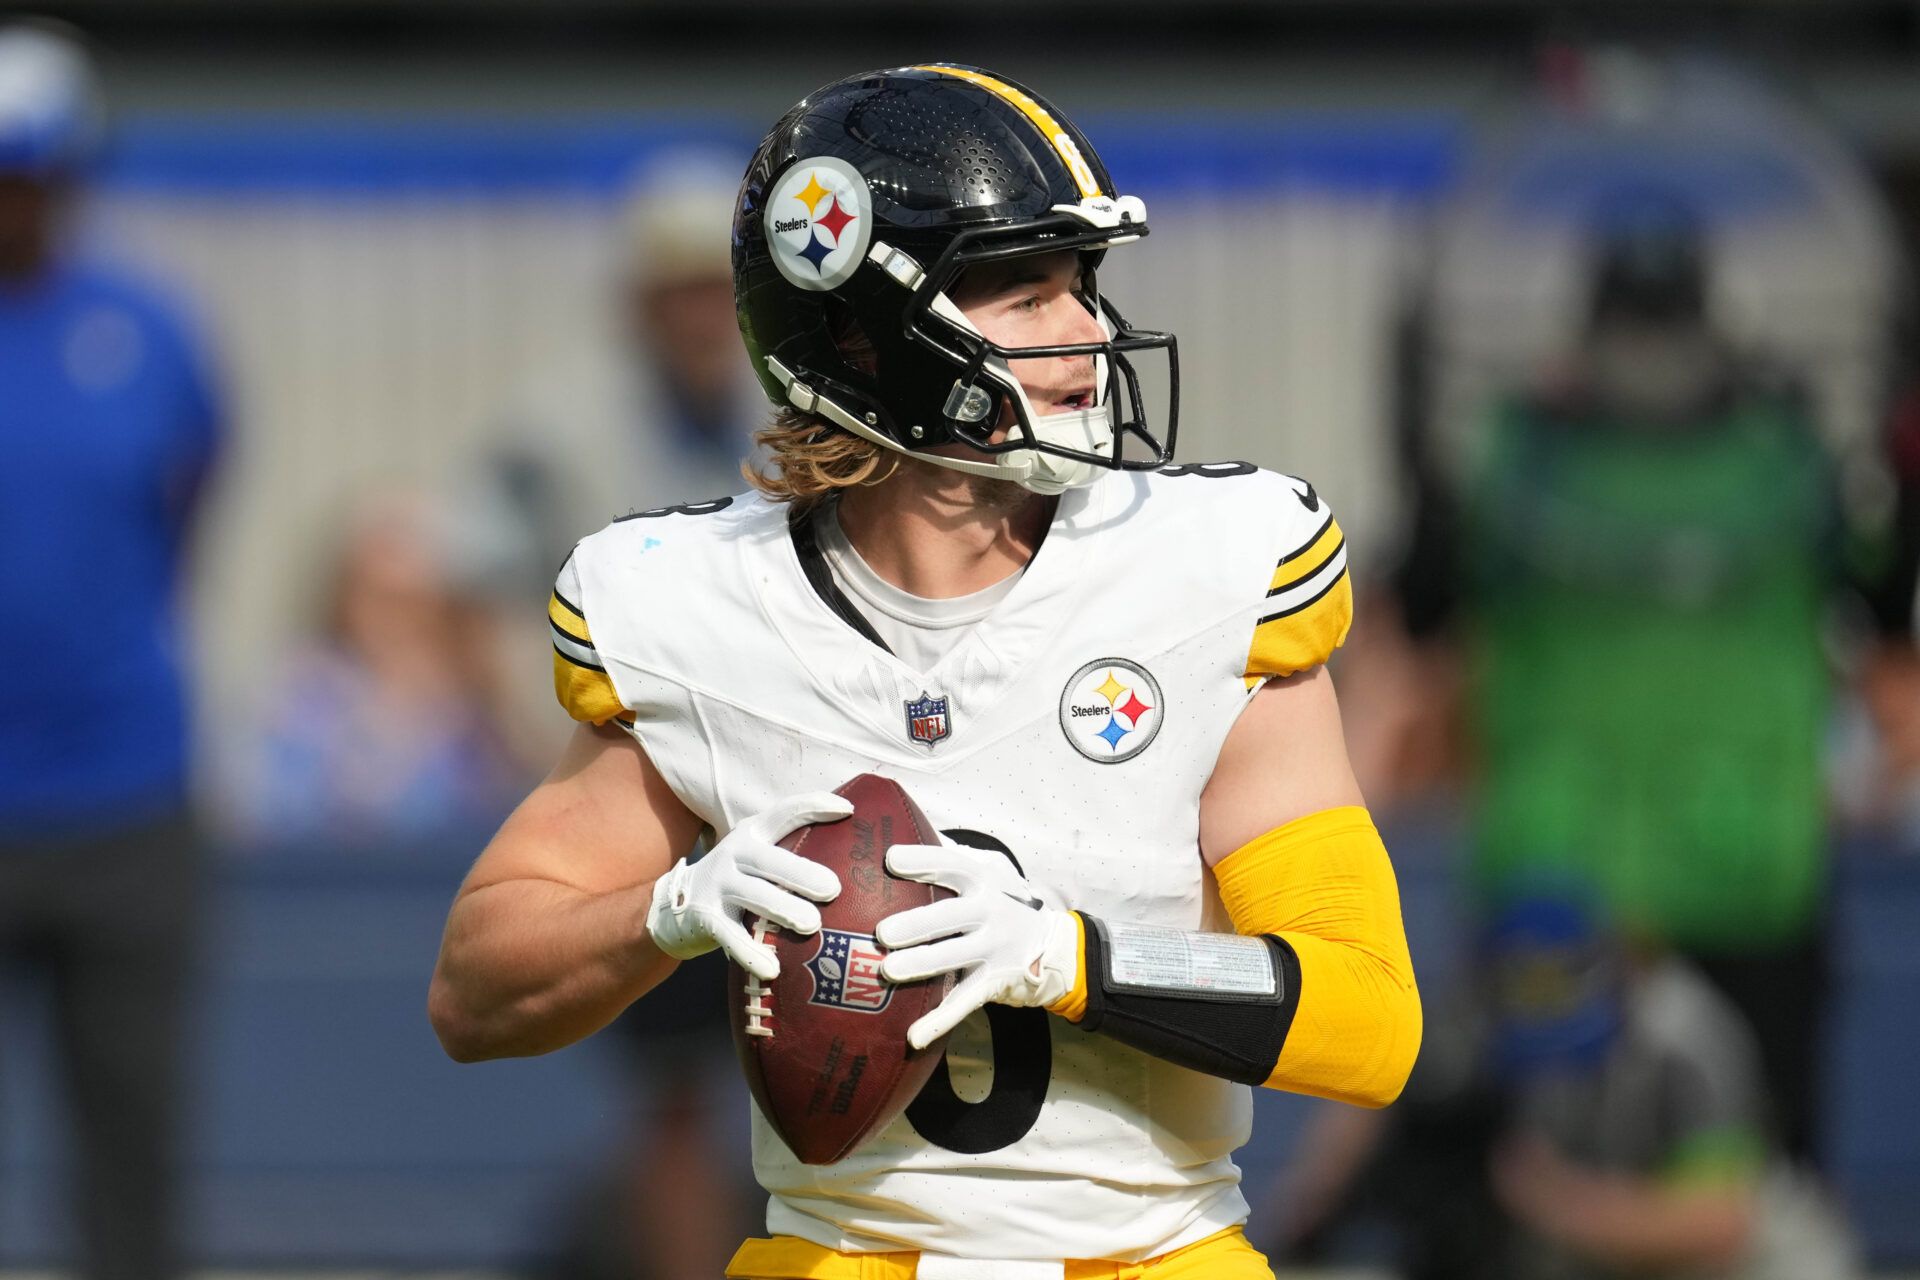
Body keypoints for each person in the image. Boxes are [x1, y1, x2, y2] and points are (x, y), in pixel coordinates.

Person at [430, 64, 1422, 1278]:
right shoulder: (703, 610)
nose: (1087, 332)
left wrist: (1072, 959)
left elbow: (1370, 1015)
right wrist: (671, 911)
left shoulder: (1202, 576)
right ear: (861, 332)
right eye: (1025, 290)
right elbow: (474, 992)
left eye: (1081, 285)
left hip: (1151, 1255)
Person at [1393, 194, 1845, 1167]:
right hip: (1607, 870)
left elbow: (1427, 607)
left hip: (1696, 870)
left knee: (1718, 1175)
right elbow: (1430, 604)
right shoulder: (1526, 461)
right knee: (1568, 1166)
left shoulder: (1774, 458)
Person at [0, 21, 222, 1280]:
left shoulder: (148, 333)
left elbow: (187, 502)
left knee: (131, 1140)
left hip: (123, 799)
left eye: (35, 173)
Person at [1270, 893, 1854, 1280]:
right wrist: (1308, 1207)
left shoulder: (1686, 1036)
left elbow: (1723, 1221)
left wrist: (1555, 1201)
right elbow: (1379, 1088)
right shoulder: (1474, 1014)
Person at [222, 493, 525, 845]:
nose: (398, 623)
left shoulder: (470, 708)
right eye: (382, 599)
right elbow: (272, 814)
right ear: (344, 597)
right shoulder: (299, 695)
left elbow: (507, 811)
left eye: (417, 603)